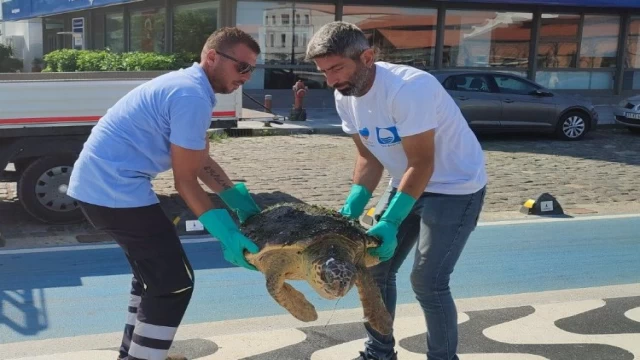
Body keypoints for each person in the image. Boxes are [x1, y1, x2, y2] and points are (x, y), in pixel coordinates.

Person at [66, 27, 263, 360]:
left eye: (251, 69)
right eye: (241, 67)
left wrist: (240, 203)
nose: (245, 76)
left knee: (152, 278)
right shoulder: (191, 96)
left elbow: (199, 160)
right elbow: (185, 181)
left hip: (103, 188)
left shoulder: (191, 88)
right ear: (212, 56)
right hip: (114, 192)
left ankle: (137, 353)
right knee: (174, 285)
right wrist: (228, 234)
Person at [305, 22, 488, 360]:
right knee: (375, 271)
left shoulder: (409, 88)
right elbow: (368, 156)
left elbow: (422, 163)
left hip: (454, 186)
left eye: (336, 68)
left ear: (367, 57)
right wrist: (351, 208)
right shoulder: (344, 95)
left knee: (428, 281)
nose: (330, 80)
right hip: (405, 180)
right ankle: (379, 353)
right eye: (323, 71)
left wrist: (389, 222)